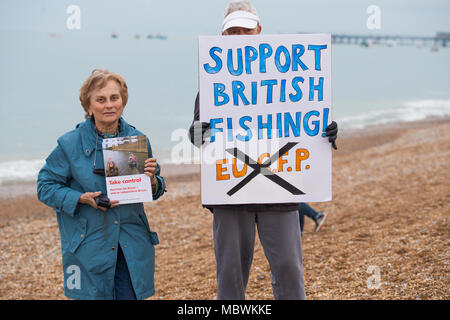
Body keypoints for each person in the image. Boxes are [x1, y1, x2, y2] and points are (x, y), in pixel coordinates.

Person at [189, 0, 338, 300]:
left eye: (246, 29)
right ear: (222, 37)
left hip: (280, 193)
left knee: (289, 269)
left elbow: (305, 122)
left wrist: (328, 132)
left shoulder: (292, 76)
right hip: (230, 194)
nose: (240, 35)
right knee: (230, 275)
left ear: (259, 30)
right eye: (232, 31)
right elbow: (195, 136)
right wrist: (197, 132)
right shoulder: (212, 84)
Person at [37, 69, 166, 300]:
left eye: (114, 98)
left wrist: (153, 180)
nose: (109, 105)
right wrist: (80, 198)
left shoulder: (138, 140)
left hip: (131, 244)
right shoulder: (69, 143)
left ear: (123, 102)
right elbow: (45, 186)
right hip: (88, 245)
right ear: (89, 107)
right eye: (101, 99)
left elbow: (156, 189)